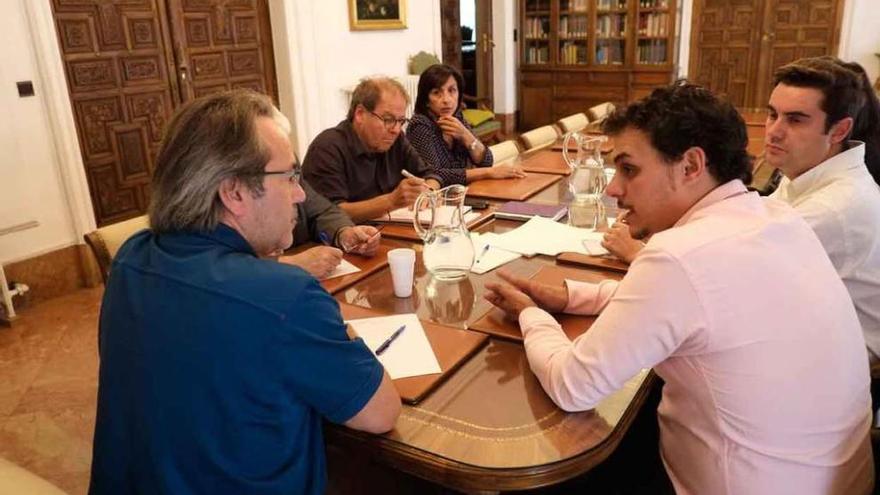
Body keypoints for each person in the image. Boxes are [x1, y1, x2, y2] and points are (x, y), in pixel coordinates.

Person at [484, 81, 874, 494]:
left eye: (629, 169)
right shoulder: (775, 216)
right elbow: (696, 307)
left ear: (690, 166)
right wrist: (571, 296)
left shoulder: (679, 255)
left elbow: (573, 385)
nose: (614, 188)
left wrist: (532, 315)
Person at [89, 90, 400, 495]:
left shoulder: (131, 256)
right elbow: (381, 413)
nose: (301, 194)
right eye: (290, 177)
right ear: (234, 192)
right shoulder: (285, 298)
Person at [766, 56, 880, 362]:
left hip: (840, 365)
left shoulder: (836, 206)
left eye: (795, 119)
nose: (774, 131)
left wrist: (640, 253)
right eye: (772, 114)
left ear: (840, 130)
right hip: (807, 330)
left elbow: (736, 277)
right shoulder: (810, 169)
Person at [303, 77, 443, 223]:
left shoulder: (396, 140)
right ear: (360, 114)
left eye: (401, 121)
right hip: (347, 239)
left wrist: (429, 191)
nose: (395, 129)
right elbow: (329, 214)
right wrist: (391, 201)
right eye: (388, 119)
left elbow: (430, 174)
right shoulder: (327, 148)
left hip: (390, 228)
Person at [406, 63, 526, 185]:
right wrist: (489, 172)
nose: (446, 100)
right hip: (437, 199)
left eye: (452, 91)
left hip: (463, 191)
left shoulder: (457, 117)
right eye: (437, 93)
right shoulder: (419, 125)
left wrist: (466, 135)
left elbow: (487, 160)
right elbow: (434, 174)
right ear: (426, 100)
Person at [280, 179, 381, 279]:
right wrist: (291, 264)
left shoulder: (287, 171)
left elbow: (322, 212)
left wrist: (344, 234)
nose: (301, 196)